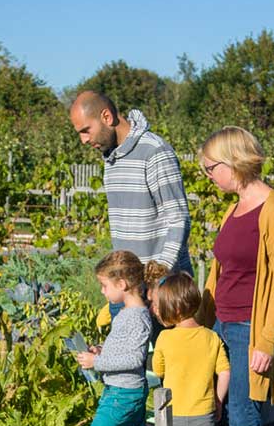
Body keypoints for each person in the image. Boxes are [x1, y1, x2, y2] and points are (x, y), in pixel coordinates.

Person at [197, 127, 274, 426]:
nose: (208, 176)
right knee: (216, 411)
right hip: (220, 323)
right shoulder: (234, 208)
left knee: (243, 418)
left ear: (233, 162)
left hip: (248, 330)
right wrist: (201, 321)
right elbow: (221, 272)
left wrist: (267, 341)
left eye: (211, 168)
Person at [67, 90, 192, 287]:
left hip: (161, 288)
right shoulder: (111, 158)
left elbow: (178, 219)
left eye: (86, 130)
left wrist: (159, 276)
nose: (83, 140)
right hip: (126, 285)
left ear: (107, 117)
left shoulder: (154, 151)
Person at [76, 251, 154, 426]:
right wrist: (101, 351)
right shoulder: (129, 314)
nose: (102, 291)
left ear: (122, 284)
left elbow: (134, 358)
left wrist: (96, 363)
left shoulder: (136, 317)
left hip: (123, 394)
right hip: (123, 391)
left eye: (104, 285)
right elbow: (125, 349)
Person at [149, 272, 230, 426]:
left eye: (161, 307)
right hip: (204, 414)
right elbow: (225, 372)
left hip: (173, 415)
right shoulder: (212, 337)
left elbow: (159, 371)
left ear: (174, 309)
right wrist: (218, 402)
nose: (157, 311)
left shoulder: (165, 338)